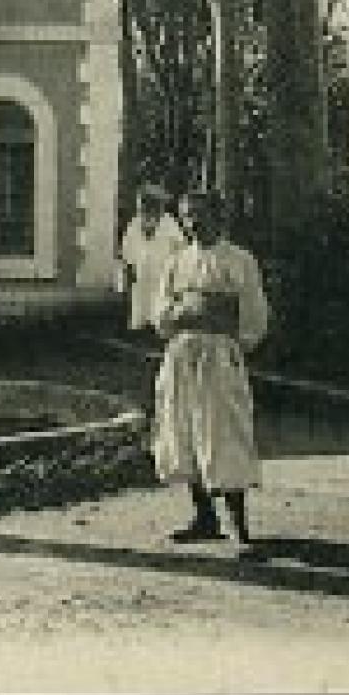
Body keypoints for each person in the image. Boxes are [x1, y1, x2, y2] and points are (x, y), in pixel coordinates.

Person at [148, 189, 270, 548]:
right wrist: (180, 315)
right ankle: (204, 517)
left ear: (219, 215)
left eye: (202, 214)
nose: (195, 222)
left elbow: (254, 314)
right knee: (184, 430)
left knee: (223, 433)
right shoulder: (177, 261)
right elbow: (161, 312)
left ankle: (239, 526)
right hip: (183, 353)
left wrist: (233, 338)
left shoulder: (239, 260)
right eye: (188, 216)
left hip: (219, 355)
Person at [118, 183, 186, 334]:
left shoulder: (171, 226)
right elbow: (127, 258)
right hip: (141, 284)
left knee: (161, 325)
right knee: (140, 326)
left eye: (149, 204)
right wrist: (125, 285)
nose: (144, 209)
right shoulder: (134, 225)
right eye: (141, 205)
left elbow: (182, 258)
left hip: (164, 284)